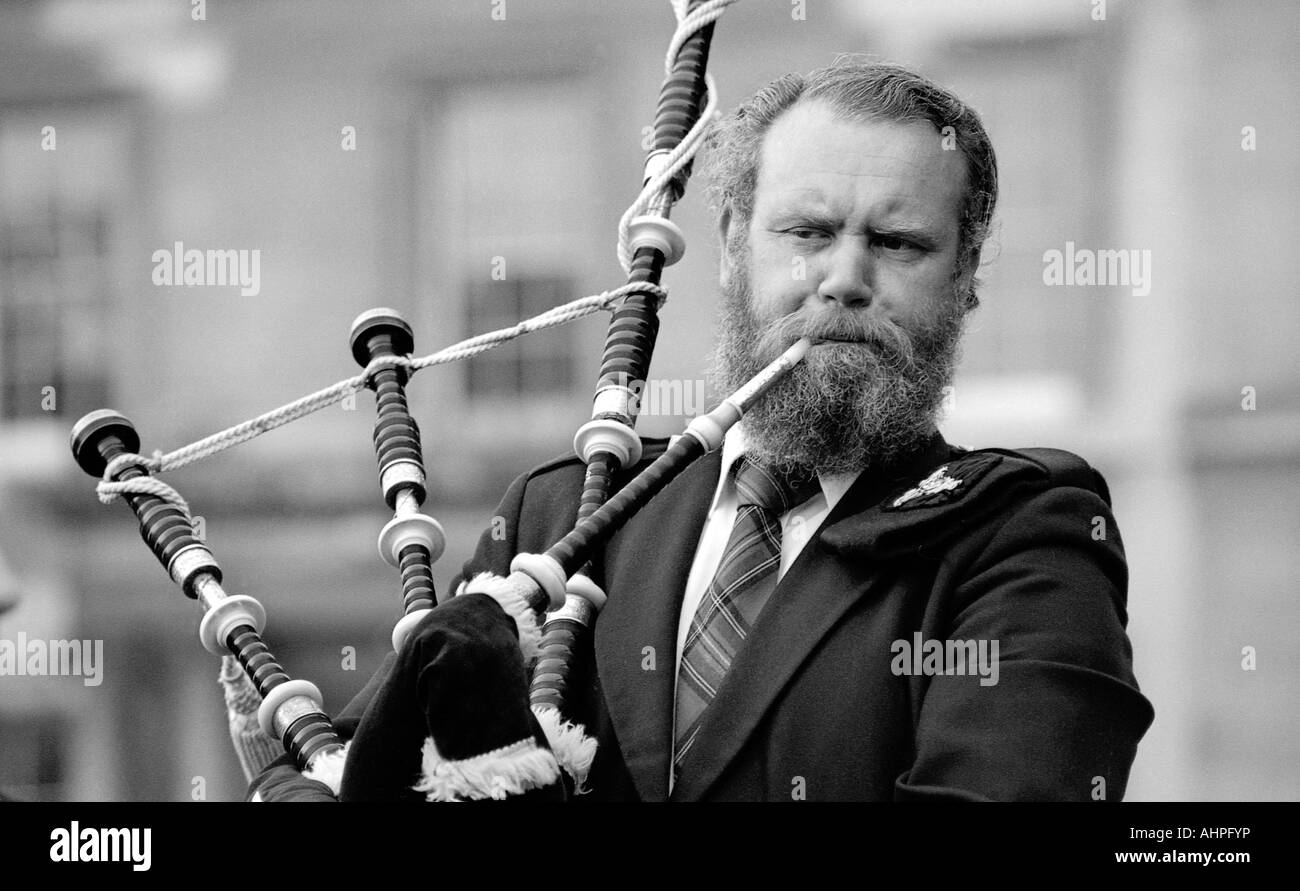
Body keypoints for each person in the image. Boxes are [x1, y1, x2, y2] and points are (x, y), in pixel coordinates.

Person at [251, 60, 1154, 802]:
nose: (843, 279)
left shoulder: (1027, 545)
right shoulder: (566, 511)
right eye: (806, 230)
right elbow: (345, 771)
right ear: (728, 245)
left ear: (965, 282)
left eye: (901, 243)